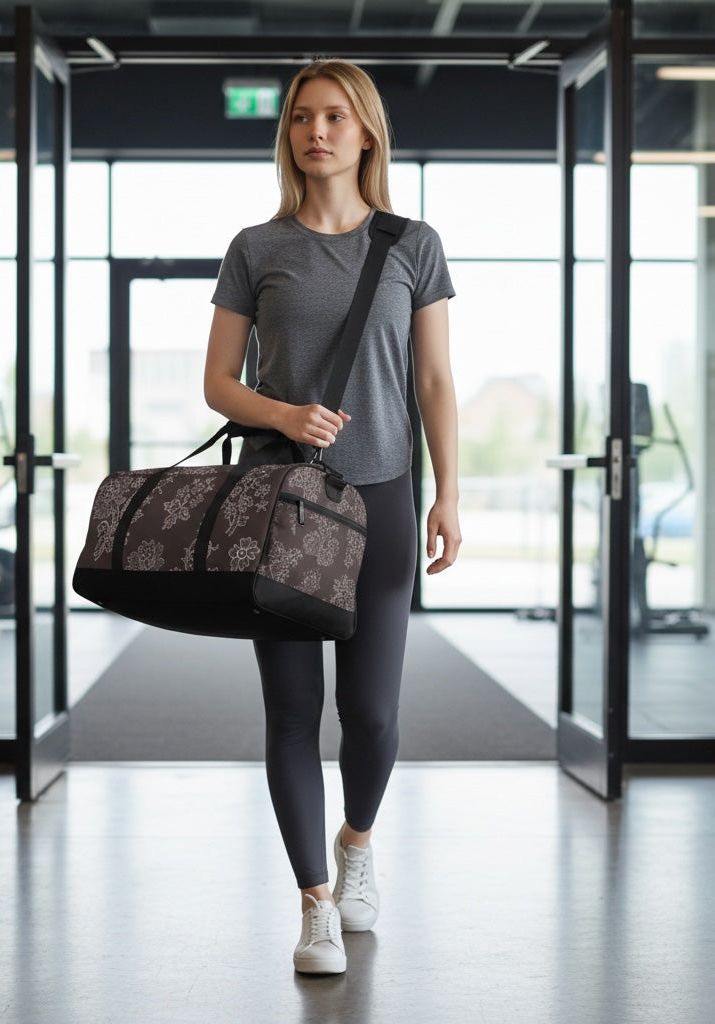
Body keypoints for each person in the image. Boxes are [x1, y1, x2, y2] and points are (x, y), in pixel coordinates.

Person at [203, 58, 461, 976]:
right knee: (291, 713)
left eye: (336, 117)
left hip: (383, 494)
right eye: (302, 117)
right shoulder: (255, 247)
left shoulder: (413, 244)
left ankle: (356, 843)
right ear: (289, 135)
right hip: (280, 501)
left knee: (373, 716)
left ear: (366, 133)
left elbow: (434, 380)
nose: (317, 131)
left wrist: (449, 493)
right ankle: (315, 903)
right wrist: (283, 414)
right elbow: (218, 384)